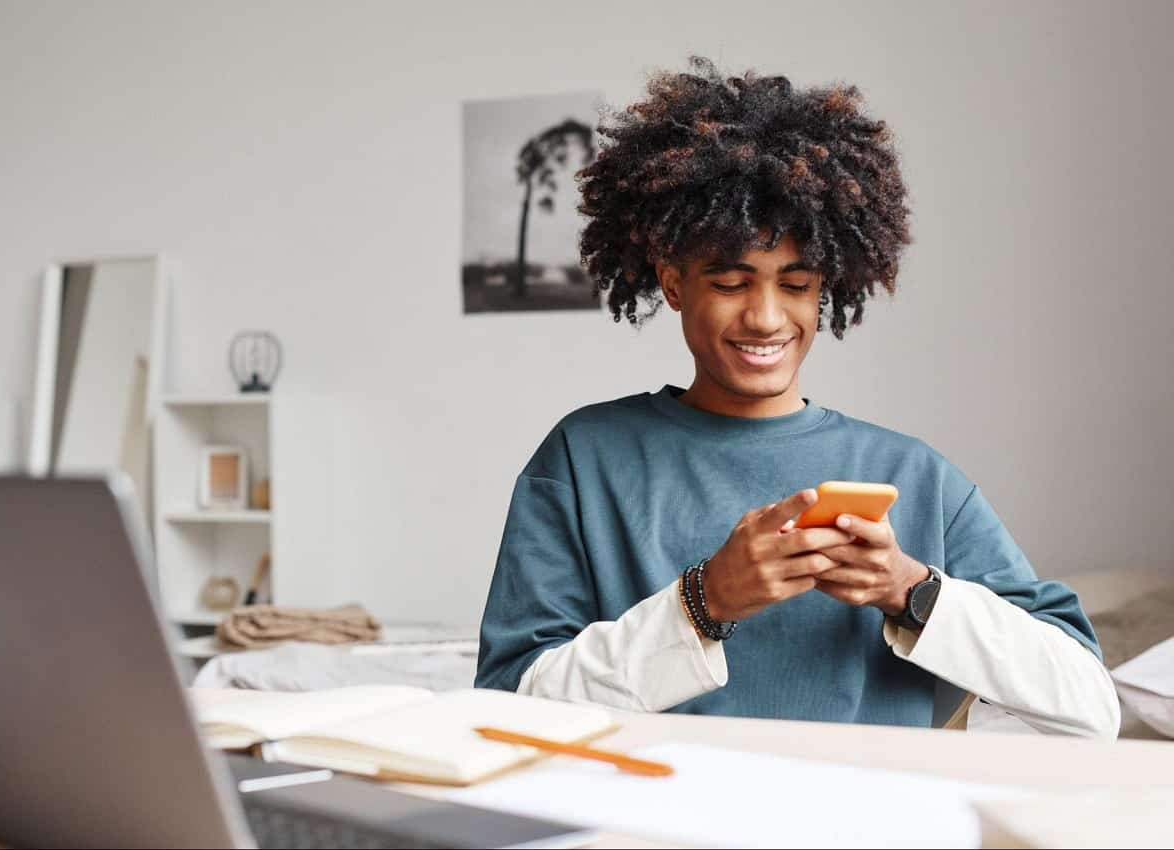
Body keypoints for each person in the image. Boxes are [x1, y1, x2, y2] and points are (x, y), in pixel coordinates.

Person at [474, 57, 1119, 737]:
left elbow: (1087, 708)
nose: (765, 318)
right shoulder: (585, 459)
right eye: (730, 283)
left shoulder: (916, 477)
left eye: (796, 283)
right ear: (672, 283)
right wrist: (703, 602)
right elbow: (506, 709)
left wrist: (911, 590)